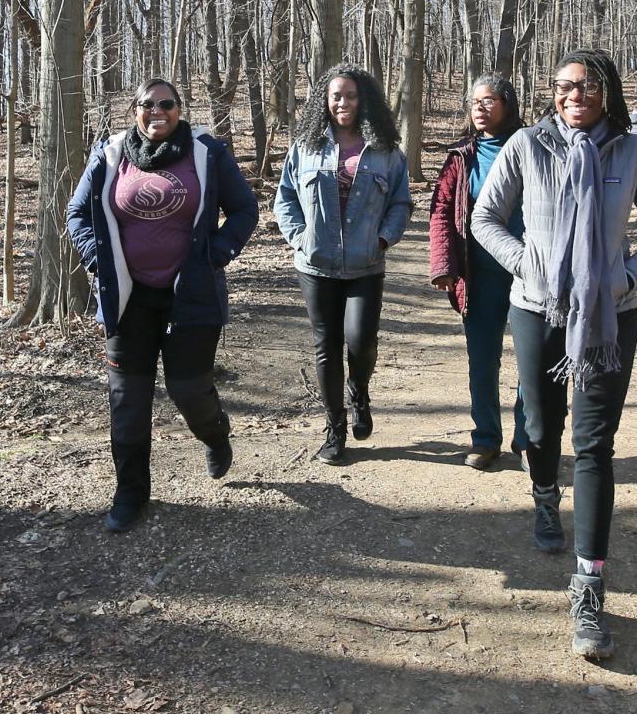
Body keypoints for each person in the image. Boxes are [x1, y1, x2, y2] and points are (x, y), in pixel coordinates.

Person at [471, 49, 637, 660]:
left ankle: (589, 586)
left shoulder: (633, 152)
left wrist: (626, 279)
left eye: (587, 86)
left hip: (607, 319)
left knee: (594, 445)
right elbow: (487, 219)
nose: (574, 95)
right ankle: (543, 497)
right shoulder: (528, 147)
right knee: (540, 424)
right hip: (536, 311)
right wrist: (526, 265)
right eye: (564, 86)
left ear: (607, 92)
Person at [66, 78, 258, 534]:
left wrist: (216, 254)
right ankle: (130, 493)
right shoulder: (111, 153)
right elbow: (77, 212)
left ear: (179, 109)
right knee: (127, 400)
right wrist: (98, 260)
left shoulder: (206, 152)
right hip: (127, 300)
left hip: (190, 295)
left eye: (167, 104)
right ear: (134, 109)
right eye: (148, 104)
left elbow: (245, 210)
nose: (158, 112)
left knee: (188, 390)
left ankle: (215, 433)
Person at [274, 64, 412, 465]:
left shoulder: (386, 150)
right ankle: (335, 429)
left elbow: (401, 202)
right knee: (326, 348)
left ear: (363, 100)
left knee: (360, 341)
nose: (343, 103)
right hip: (315, 266)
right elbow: (284, 200)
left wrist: (384, 238)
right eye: (336, 96)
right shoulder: (306, 146)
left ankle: (360, 391)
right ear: (325, 101)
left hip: (366, 265)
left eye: (350, 95)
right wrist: (301, 238)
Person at [428, 74, 529, 471]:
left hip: (529, 273)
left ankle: (528, 441)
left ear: (507, 104)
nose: (479, 108)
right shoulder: (461, 158)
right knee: (482, 360)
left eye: (488, 101)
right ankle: (486, 439)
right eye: (474, 102)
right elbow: (441, 211)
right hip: (479, 276)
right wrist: (444, 266)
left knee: (532, 361)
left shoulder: (533, 145)